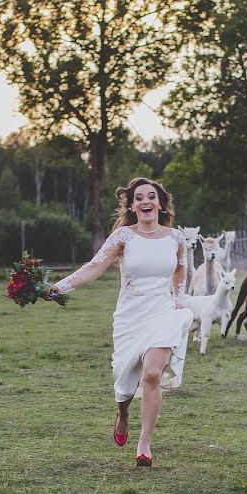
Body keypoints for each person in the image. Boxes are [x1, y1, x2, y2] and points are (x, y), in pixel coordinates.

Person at [49, 177, 193, 468]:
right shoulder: (123, 237)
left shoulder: (176, 238)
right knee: (125, 378)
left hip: (163, 312)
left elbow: (180, 270)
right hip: (130, 316)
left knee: (152, 374)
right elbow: (94, 267)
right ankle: (123, 413)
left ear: (161, 204)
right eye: (139, 198)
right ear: (131, 204)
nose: (145, 202)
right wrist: (59, 286)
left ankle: (144, 443)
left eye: (151, 197)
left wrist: (179, 297)